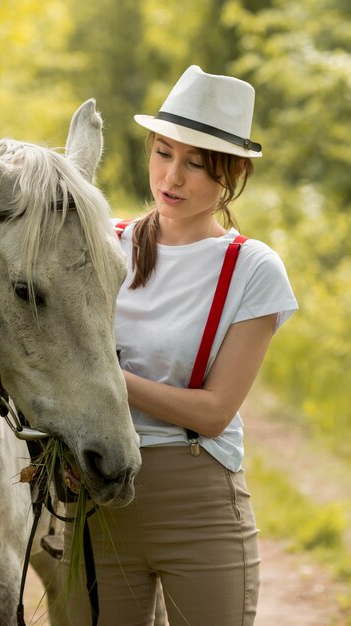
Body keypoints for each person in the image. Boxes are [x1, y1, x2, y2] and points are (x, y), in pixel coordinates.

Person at [63, 65, 298, 626]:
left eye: (195, 163)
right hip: (96, 498)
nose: (173, 176)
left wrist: (105, 382)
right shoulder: (103, 245)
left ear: (232, 173)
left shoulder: (251, 268)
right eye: (164, 153)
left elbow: (215, 412)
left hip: (199, 504)